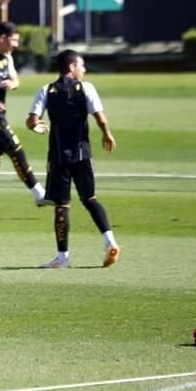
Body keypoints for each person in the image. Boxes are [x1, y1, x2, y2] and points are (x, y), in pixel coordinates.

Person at [26, 49, 120, 269]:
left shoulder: (46, 90)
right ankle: (110, 242)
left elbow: (31, 120)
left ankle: (62, 258)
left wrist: (37, 127)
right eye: (82, 65)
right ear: (71, 67)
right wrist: (107, 133)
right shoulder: (87, 88)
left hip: (59, 157)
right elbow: (99, 116)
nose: (84, 69)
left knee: (61, 206)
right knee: (90, 199)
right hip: (82, 154)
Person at [0, 21, 50, 221]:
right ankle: (40, 194)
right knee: (16, 149)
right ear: (1, 38)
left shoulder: (7, 57)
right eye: (13, 41)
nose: (15, 45)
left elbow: (16, 79)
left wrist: (13, 84)